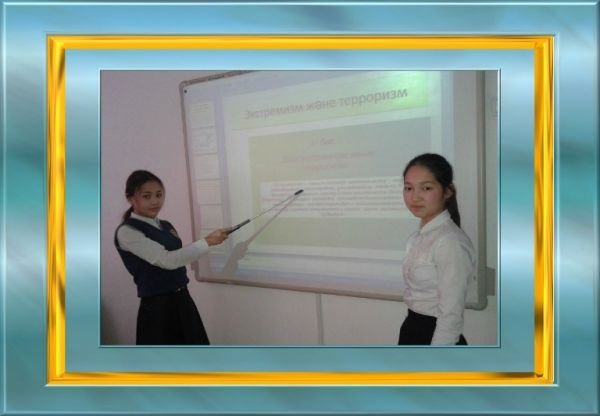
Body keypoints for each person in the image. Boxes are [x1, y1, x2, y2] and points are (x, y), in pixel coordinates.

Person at [114, 169, 231, 345]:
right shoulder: (127, 231)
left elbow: (179, 256)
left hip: (183, 299)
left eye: (159, 195)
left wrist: (213, 245)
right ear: (131, 198)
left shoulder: (166, 225)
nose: (155, 201)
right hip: (158, 308)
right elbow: (167, 260)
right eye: (147, 196)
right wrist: (207, 242)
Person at [399, 153, 476, 345]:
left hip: (437, 337)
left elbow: (450, 314)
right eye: (408, 188)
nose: (415, 197)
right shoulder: (417, 237)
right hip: (412, 328)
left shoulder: (449, 241)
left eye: (426, 188)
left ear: (447, 191)